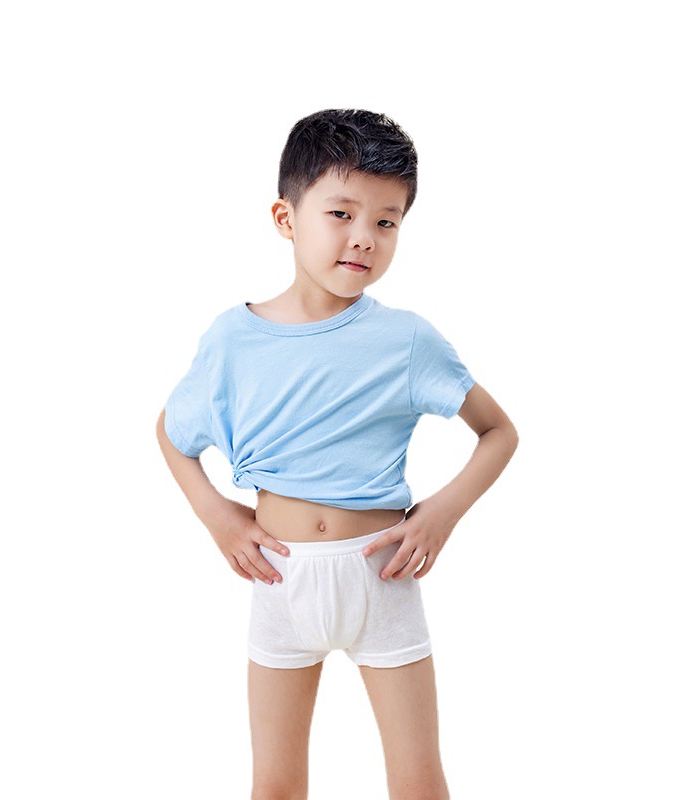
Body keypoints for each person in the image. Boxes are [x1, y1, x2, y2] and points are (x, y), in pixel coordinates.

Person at [156, 108, 518, 800]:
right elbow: (172, 433)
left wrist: (442, 512)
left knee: (418, 783)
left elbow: (498, 431)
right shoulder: (233, 339)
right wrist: (216, 516)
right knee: (274, 786)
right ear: (286, 217)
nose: (364, 238)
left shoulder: (408, 341)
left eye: (386, 221)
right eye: (342, 214)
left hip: (383, 578)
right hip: (278, 582)